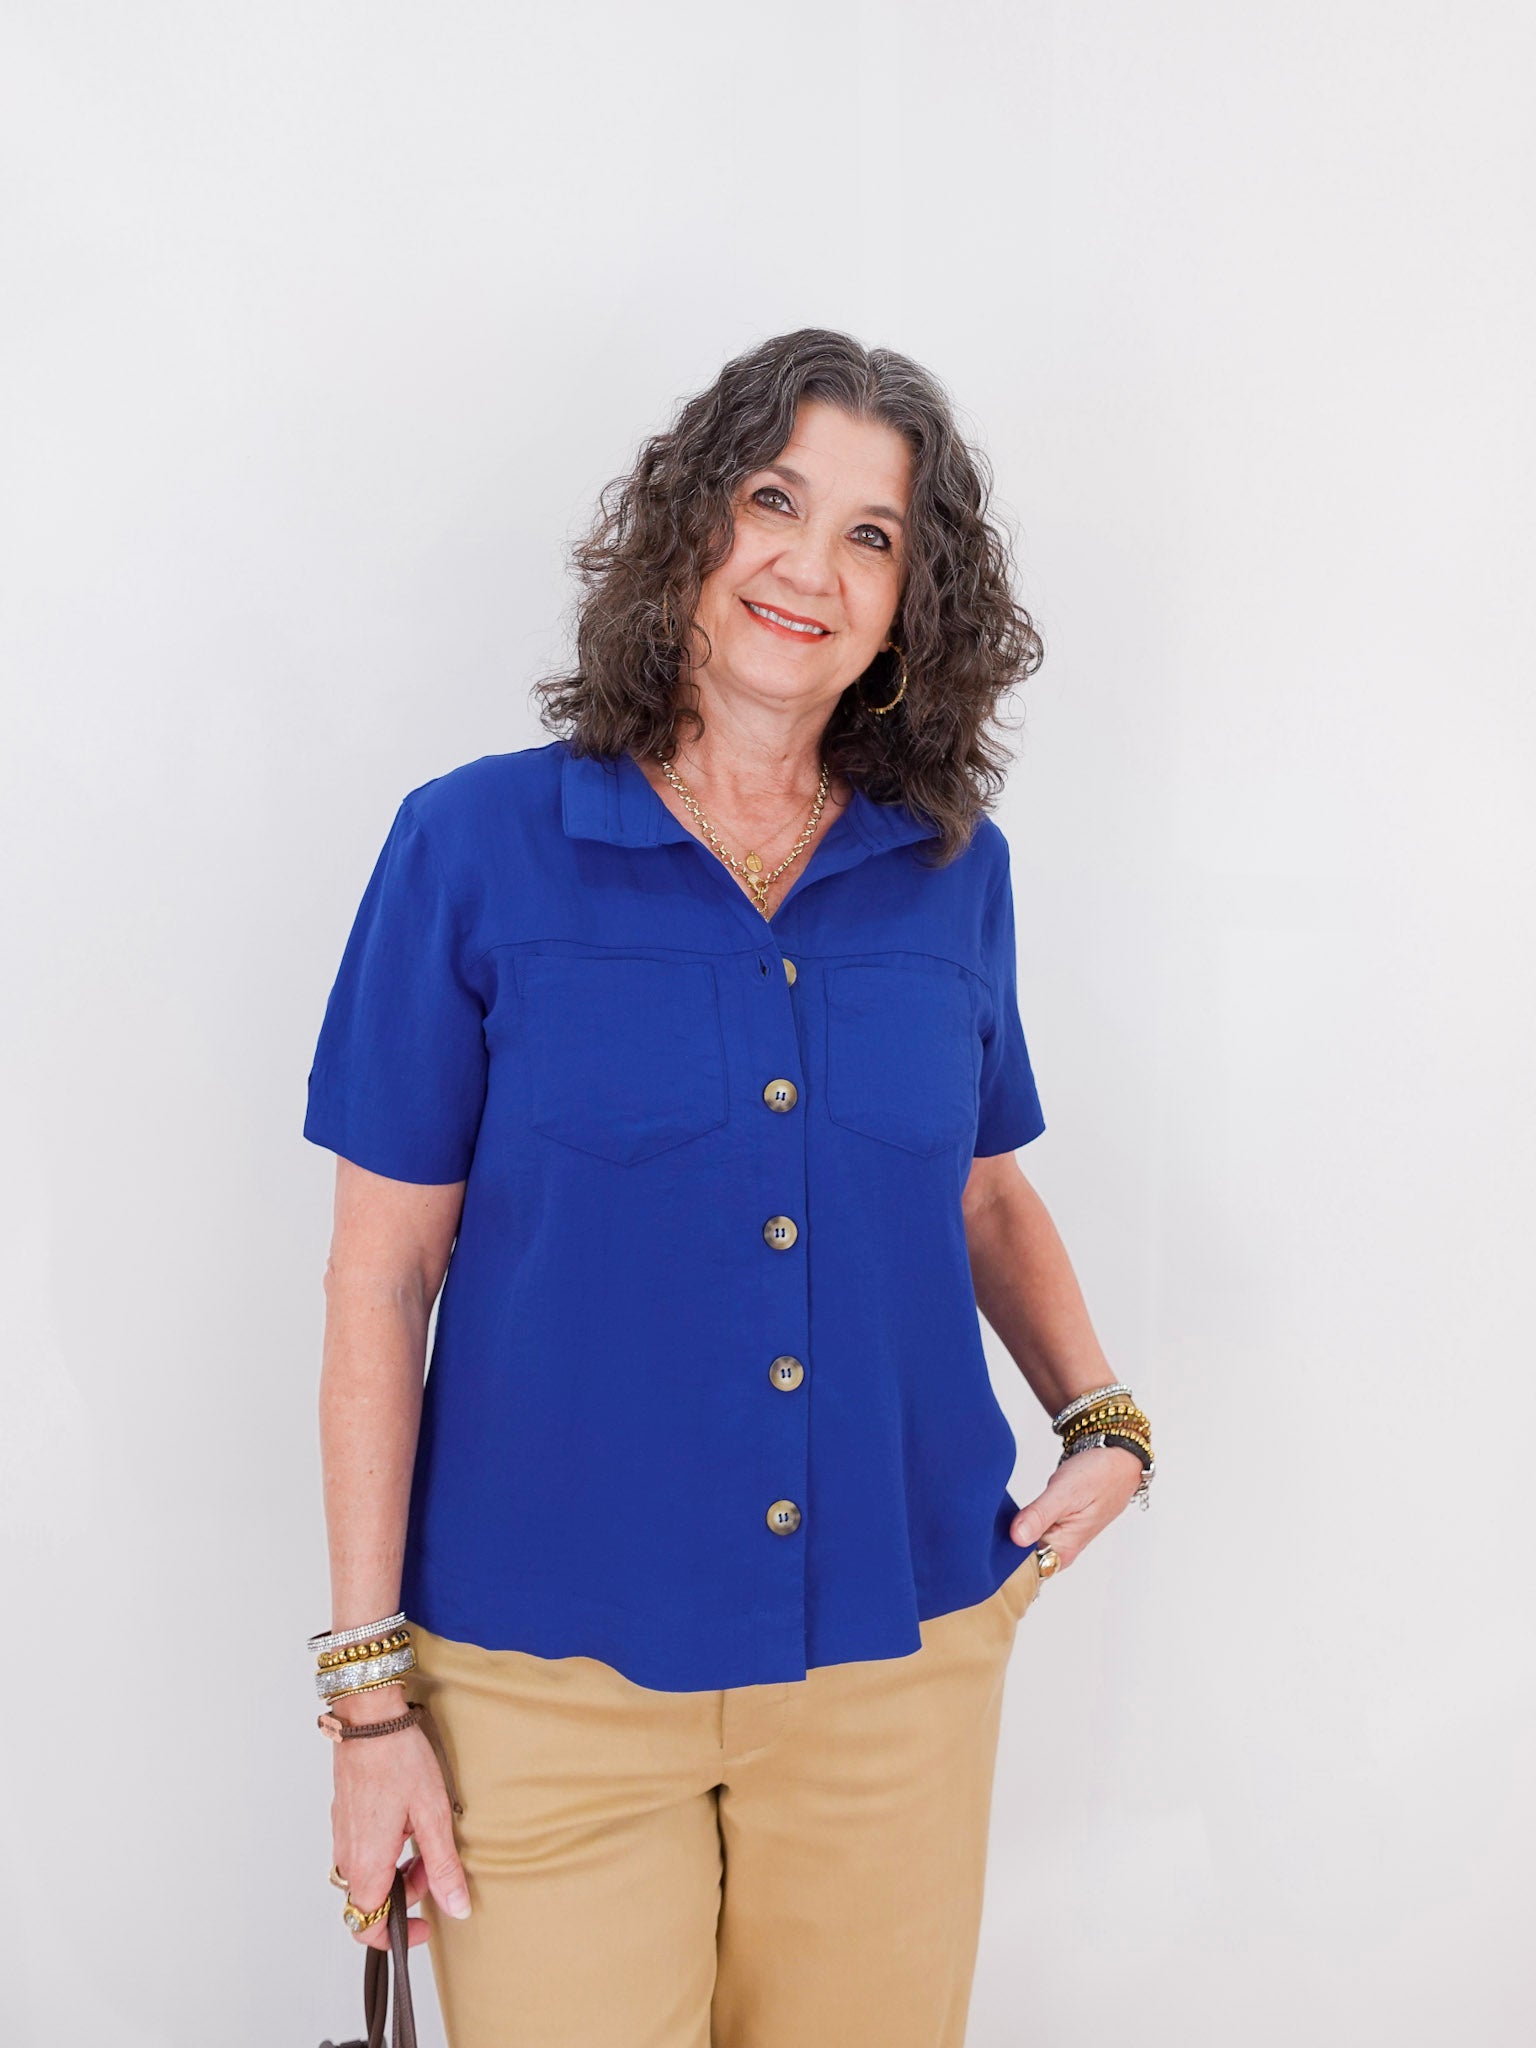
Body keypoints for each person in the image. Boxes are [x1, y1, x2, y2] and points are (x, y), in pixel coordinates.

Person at [302, 326, 1155, 2048]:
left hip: (897, 1669)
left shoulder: (954, 874)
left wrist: (1106, 1419)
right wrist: (370, 1701)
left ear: (912, 606)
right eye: (774, 500)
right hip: (542, 1687)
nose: (809, 566)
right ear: (691, 524)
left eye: (871, 534)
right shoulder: (470, 847)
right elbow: (382, 1276)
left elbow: (985, 1193)